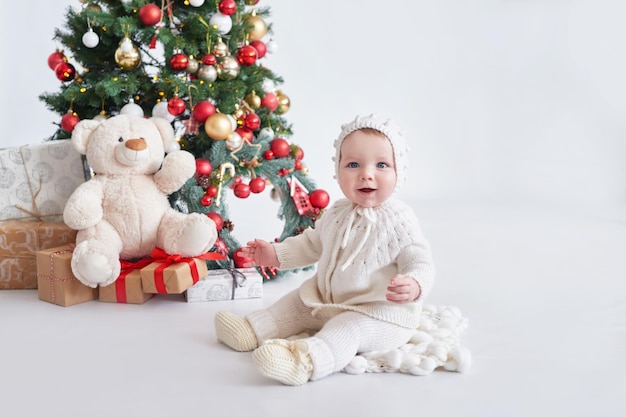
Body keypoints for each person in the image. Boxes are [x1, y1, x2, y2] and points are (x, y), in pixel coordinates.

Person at [214, 113, 435, 385]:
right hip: (329, 300)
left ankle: (304, 362)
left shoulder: (400, 219)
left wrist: (414, 284)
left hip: (381, 314)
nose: (366, 174)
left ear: (398, 171)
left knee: (347, 329)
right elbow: (311, 244)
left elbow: (420, 260)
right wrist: (274, 254)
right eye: (353, 164)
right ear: (338, 169)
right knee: (295, 302)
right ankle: (251, 330)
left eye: (381, 165)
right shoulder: (336, 212)